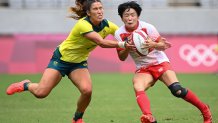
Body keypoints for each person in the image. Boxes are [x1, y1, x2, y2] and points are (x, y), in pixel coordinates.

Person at [6, 0, 133, 123]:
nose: (100, 11)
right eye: (95, 9)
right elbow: (101, 42)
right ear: (88, 13)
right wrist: (123, 44)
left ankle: (77, 118)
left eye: (101, 8)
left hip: (78, 63)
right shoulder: (83, 25)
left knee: (87, 90)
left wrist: (136, 38)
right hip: (61, 59)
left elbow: (123, 34)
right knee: (41, 93)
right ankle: (26, 85)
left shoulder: (108, 25)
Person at [114, 1, 212, 123]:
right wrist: (126, 48)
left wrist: (153, 44)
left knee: (177, 90)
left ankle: (205, 110)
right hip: (143, 67)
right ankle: (148, 116)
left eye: (132, 15)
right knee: (138, 86)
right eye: (126, 15)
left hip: (159, 62)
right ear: (121, 17)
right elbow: (121, 57)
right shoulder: (119, 34)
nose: (130, 18)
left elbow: (163, 46)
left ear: (138, 16)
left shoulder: (148, 27)